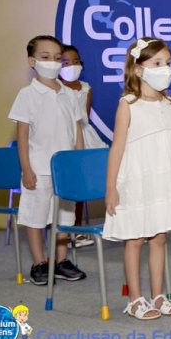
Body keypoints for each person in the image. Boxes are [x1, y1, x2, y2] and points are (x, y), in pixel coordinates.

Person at [103, 37, 171, 320]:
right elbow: (117, 148)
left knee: (159, 237)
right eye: (157, 63)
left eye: (167, 63)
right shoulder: (128, 103)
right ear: (139, 69)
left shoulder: (168, 102)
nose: (165, 69)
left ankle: (158, 295)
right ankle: (135, 299)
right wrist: (111, 188)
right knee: (136, 239)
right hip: (136, 178)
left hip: (164, 178)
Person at [9, 35, 87, 286]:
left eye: (57, 58)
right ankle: (39, 262)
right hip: (39, 168)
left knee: (65, 217)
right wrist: (26, 168)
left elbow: (77, 130)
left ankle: (61, 260)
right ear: (32, 61)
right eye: (45, 58)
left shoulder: (69, 93)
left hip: (65, 170)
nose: (52, 63)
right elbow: (22, 135)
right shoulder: (27, 94)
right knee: (35, 216)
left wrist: (78, 163)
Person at [60, 44, 107, 248]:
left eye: (76, 61)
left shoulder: (86, 88)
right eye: (66, 62)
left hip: (86, 135)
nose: (72, 66)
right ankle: (69, 231)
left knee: (95, 178)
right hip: (64, 136)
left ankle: (78, 230)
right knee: (71, 184)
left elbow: (84, 117)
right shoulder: (57, 89)